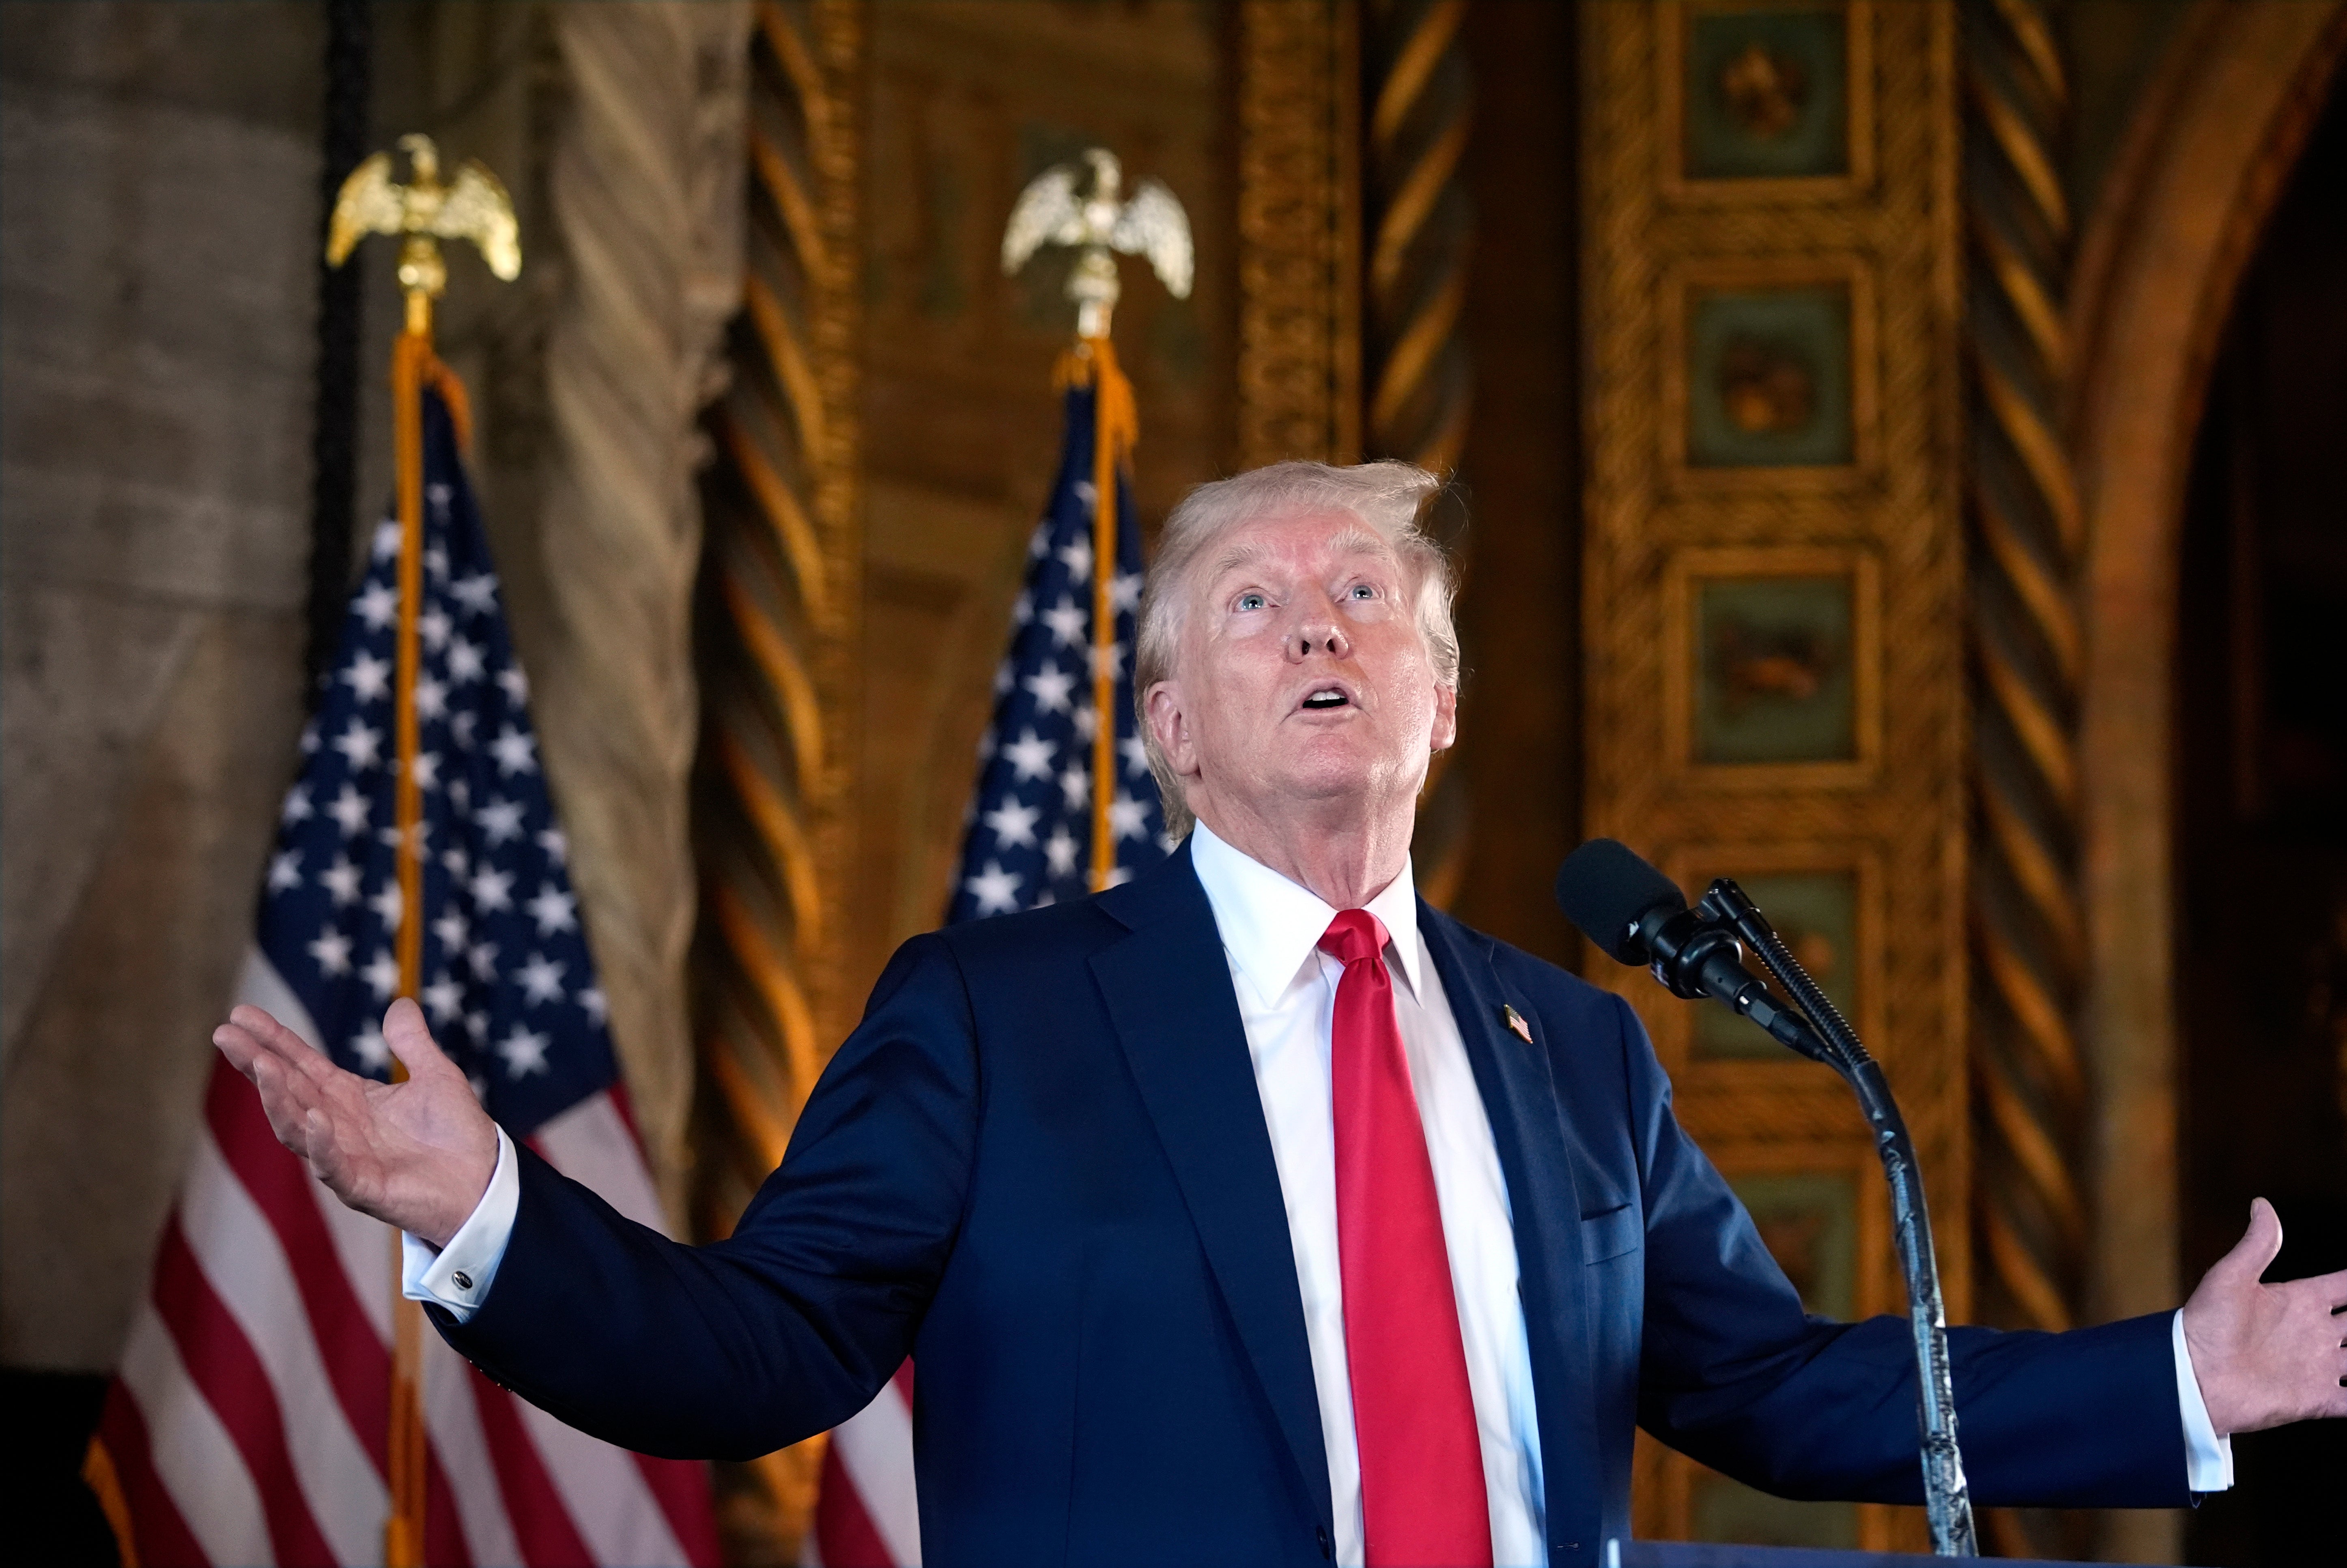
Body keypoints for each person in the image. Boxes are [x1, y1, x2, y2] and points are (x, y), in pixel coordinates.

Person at [218, 462, 2346, 1568]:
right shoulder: (993, 1016)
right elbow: (756, 1351)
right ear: (1171, 729)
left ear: (1436, 705)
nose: (1322, 628)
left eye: (1370, 606)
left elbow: (1778, 1387)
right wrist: (485, 1203)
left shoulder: (1575, 1049)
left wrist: (2180, 1375)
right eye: (1262, 604)